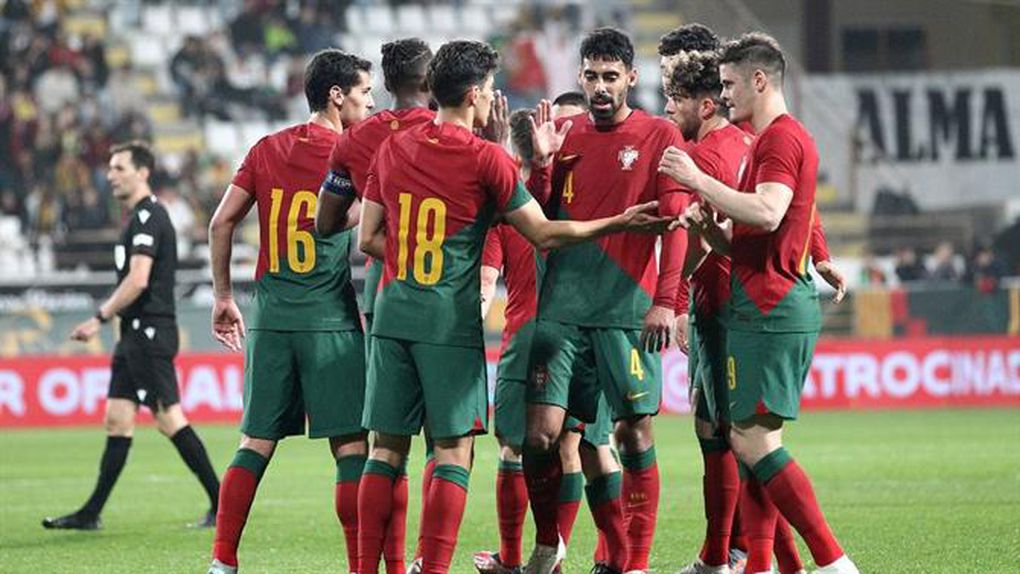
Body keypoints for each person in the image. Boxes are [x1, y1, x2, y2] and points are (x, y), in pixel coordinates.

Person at [355, 39, 676, 574]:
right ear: (474, 94)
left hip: (391, 313)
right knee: (453, 452)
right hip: (446, 321)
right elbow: (544, 233)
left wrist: (418, 259)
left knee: (385, 451)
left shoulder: (392, 147)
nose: (492, 98)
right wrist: (619, 222)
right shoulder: (487, 159)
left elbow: (367, 238)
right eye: (489, 90)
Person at [659, 32, 859, 574]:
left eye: (729, 84)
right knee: (749, 441)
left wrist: (697, 180)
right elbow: (749, 235)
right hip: (757, 300)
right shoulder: (766, 141)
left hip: (770, 305)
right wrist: (711, 229)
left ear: (759, 80)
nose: (723, 95)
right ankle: (767, 564)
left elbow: (769, 213)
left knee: (751, 441)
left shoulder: (780, 140)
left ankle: (831, 561)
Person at [522, 28, 690, 574]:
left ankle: (632, 562)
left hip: (626, 310)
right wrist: (541, 164)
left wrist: (666, 300)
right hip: (561, 310)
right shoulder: (563, 133)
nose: (600, 87)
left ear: (631, 78)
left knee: (631, 433)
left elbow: (676, 224)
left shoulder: (659, 134)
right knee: (540, 436)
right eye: (591, 76)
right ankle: (548, 544)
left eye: (610, 77)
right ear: (579, 76)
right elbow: (538, 222)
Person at [204, 48, 374, 574]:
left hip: (272, 319)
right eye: (365, 93)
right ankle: (359, 566)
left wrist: (223, 296)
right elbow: (369, 221)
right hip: (330, 321)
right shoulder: (352, 154)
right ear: (336, 95)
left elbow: (220, 223)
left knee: (254, 442)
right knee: (351, 447)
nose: (371, 104)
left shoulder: (265, 149)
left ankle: (223, 561)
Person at [42, 141, 220, 531]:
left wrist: (99, 318)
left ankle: (222, 504)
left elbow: (139, 280)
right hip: (133, 336)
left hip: (149, 333)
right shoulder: (137, 218)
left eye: (119, 168)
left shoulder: (150, 216)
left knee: (169, 418)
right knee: (117, 418)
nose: (110, 175)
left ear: (143, 172)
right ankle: (90, 514)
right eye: (110, 168)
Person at [314, 38, 435, 574]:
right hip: (447, 297)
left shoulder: (357, 139)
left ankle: (377, 567)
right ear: (431, 82)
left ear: (385, 83)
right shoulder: (455, 131)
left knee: (387, 444)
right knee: (449, 446)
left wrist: (373, 210)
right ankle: (428, 560)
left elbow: (325, 223)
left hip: (385, 299)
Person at [473, 102, 589, 574]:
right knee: (571, 447)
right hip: (578, 336)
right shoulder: (573, 200)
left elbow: (486, 280)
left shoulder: (503, 209)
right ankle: (559, 555)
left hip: (526, 336)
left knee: (513, 446)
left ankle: (516, 557)